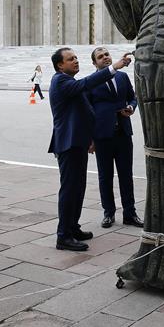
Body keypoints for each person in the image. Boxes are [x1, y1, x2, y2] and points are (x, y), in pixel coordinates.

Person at [48, 47, 131, 251]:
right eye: (70, 59)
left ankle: (73, 228)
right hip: (68, 143)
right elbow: (87, 84)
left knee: (78, 188)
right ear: (60, 65)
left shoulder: (70, 82)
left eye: (76, 58)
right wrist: (113, 68)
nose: (76, 61)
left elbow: (86, 111)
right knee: (69, 190)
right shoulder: (60, 81)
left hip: (79, 142)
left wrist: (90, 138)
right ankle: (63, 236)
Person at [88, 47, 143, 229]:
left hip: (123, 134)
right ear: (94, 63)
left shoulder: (122, 77)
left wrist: (131, 107)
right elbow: (87, 112)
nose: (105, 58)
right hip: (102, 136)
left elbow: (132, 97)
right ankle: (108, 213)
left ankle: (130, 213)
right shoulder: (91, 82)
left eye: (107, 55)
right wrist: (91, 139)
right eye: (100, 57)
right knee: (105, 176)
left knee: (126, 175)